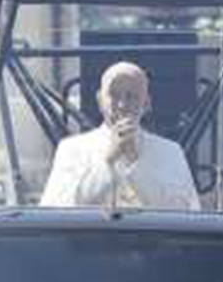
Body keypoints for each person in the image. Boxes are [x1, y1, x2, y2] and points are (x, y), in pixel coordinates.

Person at [40, 61, 200, 210]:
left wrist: (134, 163)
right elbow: (56, 209)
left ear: (146, 103)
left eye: (132, 96)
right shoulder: (71, 150)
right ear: (100, 101)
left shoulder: (170, 152)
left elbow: (184, 212)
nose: (122, 105)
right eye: (114, 95)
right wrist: (108, 161)